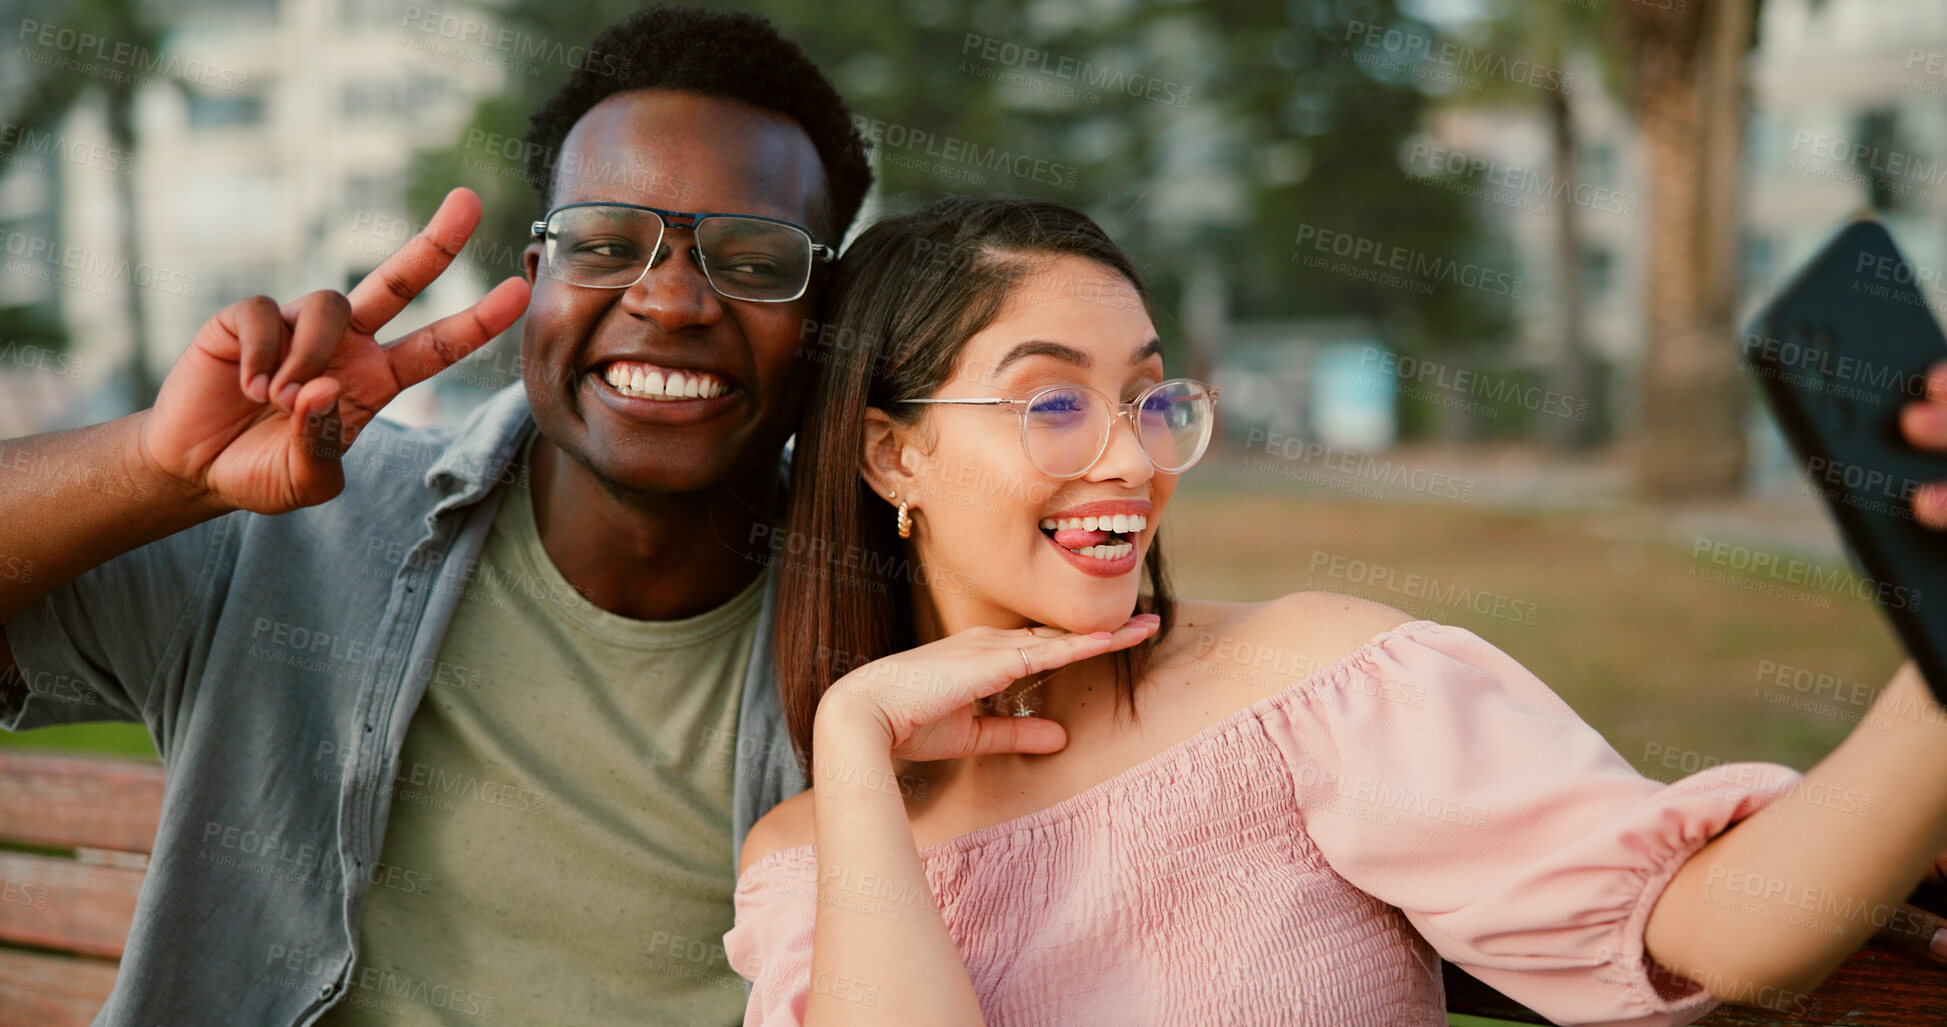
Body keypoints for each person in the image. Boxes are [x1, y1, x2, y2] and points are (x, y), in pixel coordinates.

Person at [725, 196, 1947, 1026]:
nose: (1128, 459)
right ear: (892, 457)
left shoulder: (1308, 686)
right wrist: (854, 737)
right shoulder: (811, 857)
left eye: (1151, 399)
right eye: (1050, 403)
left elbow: (1733, 933)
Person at [0, 7, 869, 1025]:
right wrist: (159, 467)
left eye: (756, 261)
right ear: (537, 282)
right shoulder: (302, 525)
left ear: (829, 318)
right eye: (604, 242)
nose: (671, 301)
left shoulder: (887, 617)